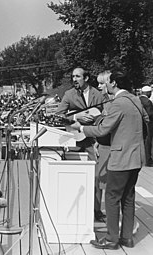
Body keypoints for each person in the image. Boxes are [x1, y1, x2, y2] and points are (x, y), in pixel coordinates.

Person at [71, 70, 147, 249]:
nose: (104, 87)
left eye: (106, 83)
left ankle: (111, 239)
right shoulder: (135, 100)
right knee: (128, 198)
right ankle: (127, 238)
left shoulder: (118, 104)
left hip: (121, 158)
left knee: (112, 198)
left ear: (114, 83)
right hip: (136, 157)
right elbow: (144, 120)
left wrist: (81, 128)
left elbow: (102, 131)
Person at [56, 67, 105, 222]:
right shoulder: (69, 94)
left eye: (78, 76)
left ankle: (96, 210)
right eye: (73, 77)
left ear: (86, 78)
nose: (74, 79)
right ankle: (72, 208)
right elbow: (59, 115)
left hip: (93, 140)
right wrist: (77, 116)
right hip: (74, 140)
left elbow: (106, 116)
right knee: (72, 174)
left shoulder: (98, 95)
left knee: (97, 175)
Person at [139, 86, 153, 166]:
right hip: (148, 124)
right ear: (148, 93)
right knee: (148, 142)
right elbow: (150, 114)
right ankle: (148, 160)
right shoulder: (147, 102)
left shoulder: (138, 99)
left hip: (139, 124)